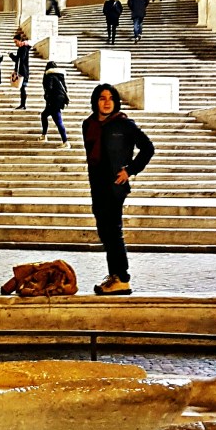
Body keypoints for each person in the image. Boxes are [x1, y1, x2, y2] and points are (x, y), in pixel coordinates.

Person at [82, 83, 155, 296]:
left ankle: (122, 277)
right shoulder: (88, 124)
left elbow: (148, 148)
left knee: (113, 231)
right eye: (102, 98)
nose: (106, 102)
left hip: (115, 185)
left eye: (111, 98)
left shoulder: (124, 125)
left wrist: (130, 170)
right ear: (95, 101)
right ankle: (114, 274)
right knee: (105, 231)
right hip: (97, 185)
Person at [41, 60, 71, 148]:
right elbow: (65, 89)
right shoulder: (60, 76)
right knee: (45, 115)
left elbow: (49, 88)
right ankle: (44, 135)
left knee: (57, 120)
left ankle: (65, 141)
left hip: (53, 101)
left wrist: (47, 96)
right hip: (59, 101)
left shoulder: (49, 76)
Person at [9, 29, 31, 111]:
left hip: (23, 72)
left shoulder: (23, 48)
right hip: (23, 71)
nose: (15, 44)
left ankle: (23, 104)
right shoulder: (23, 48)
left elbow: (19, 59)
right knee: (22, 88)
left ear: (20, 40)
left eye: (16, 42)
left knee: (23, 88)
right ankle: (22, 104)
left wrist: (11, 56)